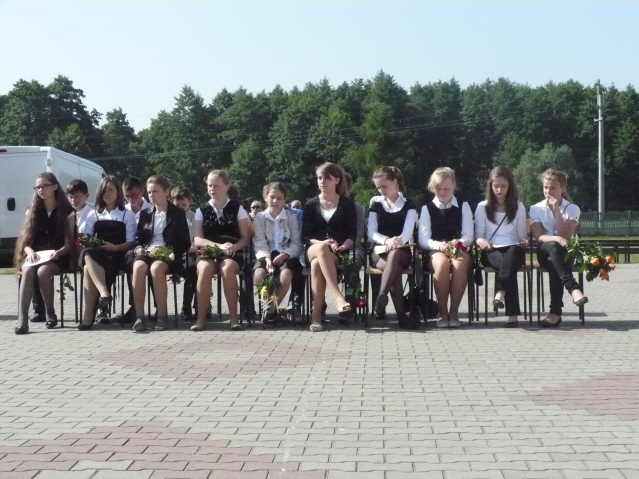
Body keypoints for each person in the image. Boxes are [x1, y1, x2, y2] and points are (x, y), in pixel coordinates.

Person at [14, 173, 75, 334]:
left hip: (57, 256)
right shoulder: (32, 210)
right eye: (38, 187)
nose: (41, 190)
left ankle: (50, 312)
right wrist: (30, 252)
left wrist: (58, 252)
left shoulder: (67, 211)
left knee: (43, 272)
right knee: (27, 270)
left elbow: (69, 244)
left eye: (44, 186)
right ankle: (22, 321)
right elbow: (25, 242)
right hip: (35, 254)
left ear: (54, 187)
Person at [192, 170, 251, 331]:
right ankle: (200, 319)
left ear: (227, 186)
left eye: (216, 185)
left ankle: (234, 318)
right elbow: (198, 239)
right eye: (209, 185)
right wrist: (218, 246)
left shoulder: (237, 208)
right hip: (208, 252)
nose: (212, 189)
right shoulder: (201, 209)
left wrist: (234, 247)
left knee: (228, 268)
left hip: (232, 253)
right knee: (204, 268)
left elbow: (245, 237)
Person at [130, 176, 191, 332]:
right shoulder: (145, 214)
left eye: (155, 191)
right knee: (138, 267)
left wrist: (166, 251)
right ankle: (139, 317)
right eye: (149, 192)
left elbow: (184, 242)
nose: (152, 195)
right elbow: (138, 240)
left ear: (166, 192)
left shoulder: (177, 213)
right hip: (147, 251)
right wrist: (139, 248)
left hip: (168, 254)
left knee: (156, 268)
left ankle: (162, 316)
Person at [529, 168, 588, 327]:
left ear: (563, 188)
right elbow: (540, 237)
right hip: (544, 250)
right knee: (554, 248)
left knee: (554, 262)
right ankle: (573, 289)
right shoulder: (536, 208)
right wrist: (555, 238)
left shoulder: (572, 208)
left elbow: (566, 236)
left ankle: (555, 314)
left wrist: (556, 210)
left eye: (553, 188)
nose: (548, 192)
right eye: (545, 187)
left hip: (566, 254)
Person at [302, 162, 357, 332]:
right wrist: (323, 243)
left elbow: (352, 234)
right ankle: (338, 297)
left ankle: (316, 318)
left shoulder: (347, 204)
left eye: (326, 178)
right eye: (319, 178)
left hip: (336, 252)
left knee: (317, 265)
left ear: (337, 180)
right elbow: (306, 235)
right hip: (314, 248)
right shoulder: (310, 204)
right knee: (320, 251)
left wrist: (343, 246)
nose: (322, 181)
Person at [77, 176, 136, 330]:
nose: (107, 194)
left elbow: (131, 242)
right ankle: (104, 293)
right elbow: (86, 237)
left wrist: (115, 247)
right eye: (104, 191)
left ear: (118, 192)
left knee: (87, 268)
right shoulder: (94, 214)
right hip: (99, 254)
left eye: (110, 190)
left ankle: (88, 317)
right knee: (88, 253)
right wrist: (92, 242)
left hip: (119, 255)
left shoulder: (127, 214)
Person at [418, 167, 473, 328]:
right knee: (442, 264)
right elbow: (423, 239)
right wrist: (439, 245)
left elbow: (469, 235)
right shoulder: (426, 208)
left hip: (459, 247)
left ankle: (453, 312)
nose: (442, 192)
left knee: (459, 263)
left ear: (454, 185)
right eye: (438, 188)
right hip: (435, 249)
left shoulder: (463, 206)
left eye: (446, 188)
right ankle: (442, 313)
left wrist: (458, 243)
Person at [474, 166, 528, 327]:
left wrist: (524, 240)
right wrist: (481, 241)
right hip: (491, 250)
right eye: (496, 186)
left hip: (513, 248)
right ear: (490, 186)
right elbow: (478, 236)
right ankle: (512, 315)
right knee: (509, 267)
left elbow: (521, 234)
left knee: (512, 256)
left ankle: (500, 292)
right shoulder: (482, 207)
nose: (499, 190)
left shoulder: (518, 207)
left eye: (503, 186)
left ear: (510, 186)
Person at [368, 166, 419, 329]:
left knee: (395, 256)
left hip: (401, 250)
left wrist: (397, 241)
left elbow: (408, 230)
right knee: (394, 269)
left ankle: (382, 294)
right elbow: (371, 231)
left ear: (395, 182)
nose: (381, 191)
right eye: (378, 187)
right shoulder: (375, 203)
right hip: (380, 252)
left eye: (384, 186)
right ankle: (401, 317)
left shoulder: (409, 204)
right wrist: (386, 241)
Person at [252, 182, 303, 327]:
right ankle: (273, 314)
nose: (275, 201)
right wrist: (266, 258)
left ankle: (269, 312)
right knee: (258, 275)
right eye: (272, 197)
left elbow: (297, 243)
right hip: (265, 254)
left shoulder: (291, 217)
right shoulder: (259, 218)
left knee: (286, 275)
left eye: (279, 198)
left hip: (286, 254)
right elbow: (259, 241)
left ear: (285, 200)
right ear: (265, 197)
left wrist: (285, 255)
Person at [172, 186, 196, 320]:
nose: (181, 207)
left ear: (190, 202)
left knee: (193, 268)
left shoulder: (194, 217)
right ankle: (159, 309)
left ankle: (188, 306)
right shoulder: (170, 216)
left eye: (184, 204)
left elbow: (197, 238)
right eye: (177, 205)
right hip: (173, 252)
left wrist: (192, 247)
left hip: (189, 251)